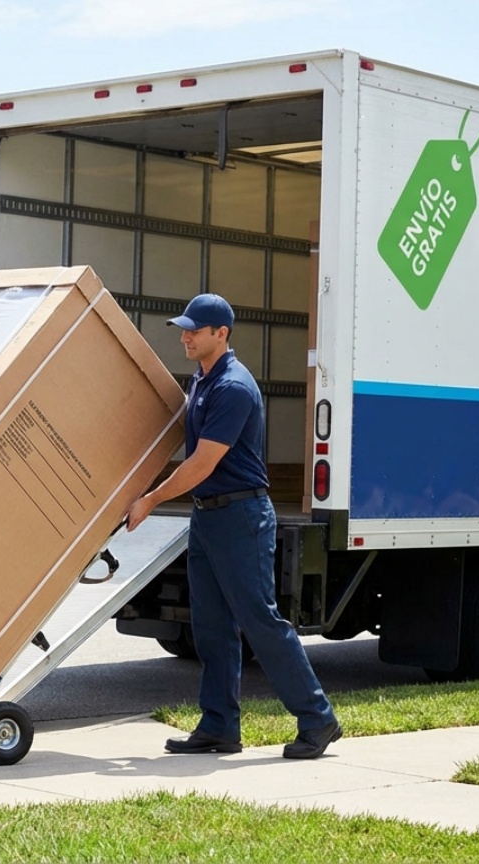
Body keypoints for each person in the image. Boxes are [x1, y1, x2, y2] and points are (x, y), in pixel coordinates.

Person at [126, 293, 341, 760]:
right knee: (211, 625)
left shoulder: (233, 387)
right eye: (184, 328)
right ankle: (220, 725)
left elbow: (203, 462)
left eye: (194, 330)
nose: (184, 336)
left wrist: (151, 499)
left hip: (240, 517)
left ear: (220, 334)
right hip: (208, 516)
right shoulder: (201, 380)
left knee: (259, 621)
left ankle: (318, 718)